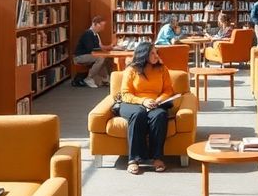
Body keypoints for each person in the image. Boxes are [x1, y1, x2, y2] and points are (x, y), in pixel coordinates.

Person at [118, 42, 179, 175]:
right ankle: (133, 159)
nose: (156, 55)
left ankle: (157, 158)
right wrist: (143, 101)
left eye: (156, 52)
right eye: (152, 53)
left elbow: (168, 90)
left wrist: (159, 99)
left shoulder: (162, 69)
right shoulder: (132, 69)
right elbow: (125, 94)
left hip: (155, 103)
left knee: (160, 115)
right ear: (143, 54)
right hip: (133, 103)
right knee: (138, 114)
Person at [73, 15, 113, 88]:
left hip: (88, 55)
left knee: (104, 58)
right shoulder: (88, 33)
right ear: (96, 24)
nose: (103, 28)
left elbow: (97, 48)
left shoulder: (95, 34)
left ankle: (105, 79)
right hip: (80, 57)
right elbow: (91, 49)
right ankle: (89, 78)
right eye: (102, 25)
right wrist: (103, 51)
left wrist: (107, 49)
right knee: (100, 58)